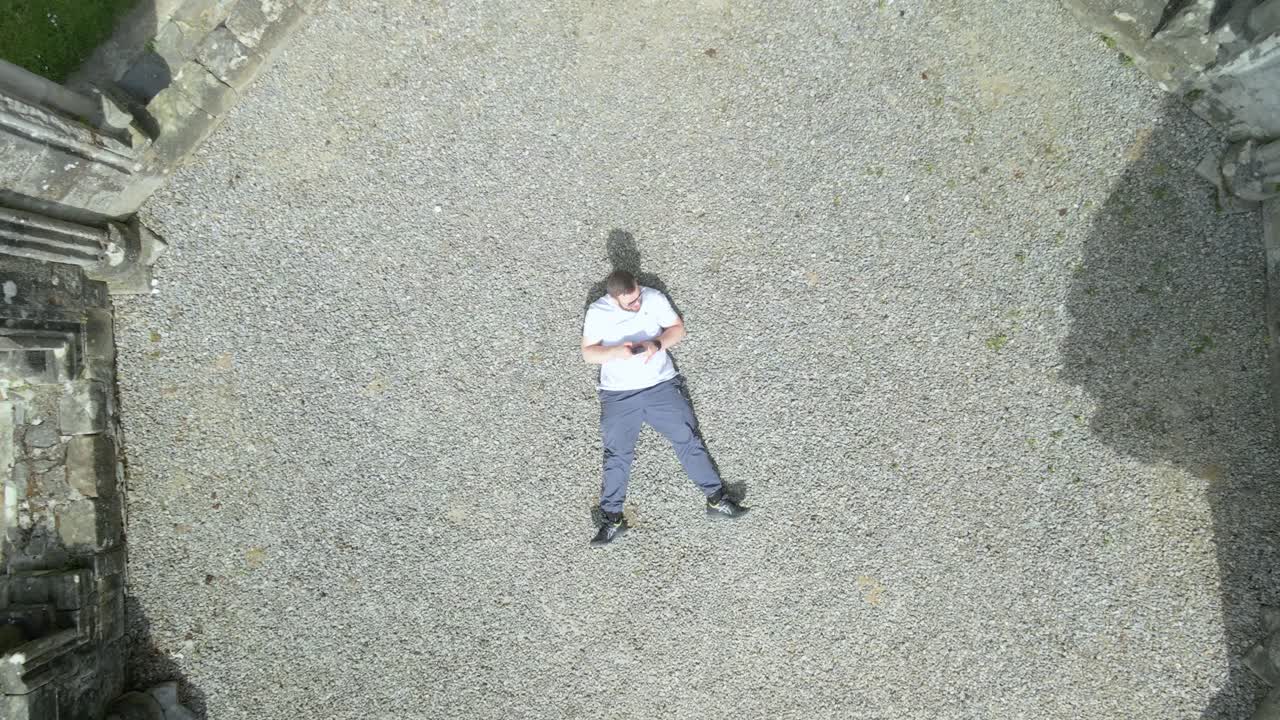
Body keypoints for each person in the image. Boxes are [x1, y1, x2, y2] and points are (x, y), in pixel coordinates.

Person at [580, 270, 747, 547]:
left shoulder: (653, 298)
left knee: (688, 440)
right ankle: (612, 519)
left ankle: (717, 500)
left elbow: (678, 329)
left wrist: (656, 344)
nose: (637, 305)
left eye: (638, 298)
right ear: (614, 298)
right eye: (630, 303)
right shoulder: (598, 312)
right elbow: (588, 353)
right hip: (618, 395)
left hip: (661, 386)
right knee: (617, 455)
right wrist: (615, 353)